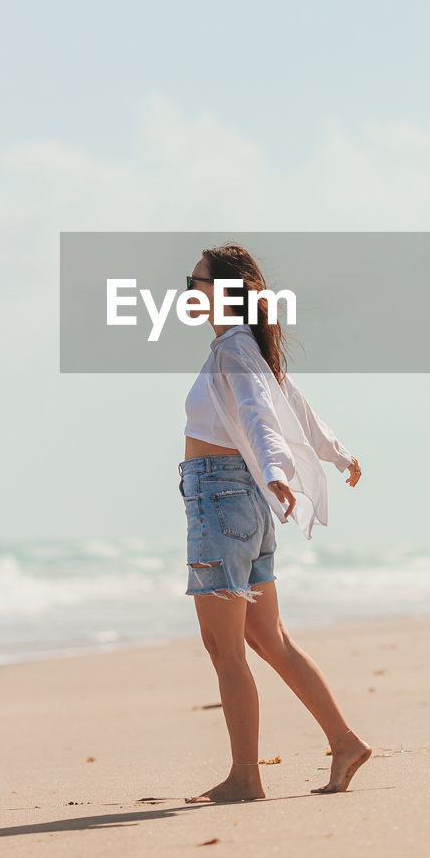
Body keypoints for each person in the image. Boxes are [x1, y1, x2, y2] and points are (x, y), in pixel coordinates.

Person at [179, 242, 372, 804]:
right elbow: (294, 407)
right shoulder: (241, 348)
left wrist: (278, 469)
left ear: (227, 292)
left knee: (224, 645)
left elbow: (266, 419)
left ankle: (245, 776)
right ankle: (344, 742)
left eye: (196, 282)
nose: (189, 293)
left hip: (220, 499)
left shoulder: (234, 351)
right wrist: (336, 454)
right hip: (239, 501)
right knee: (268, 638)